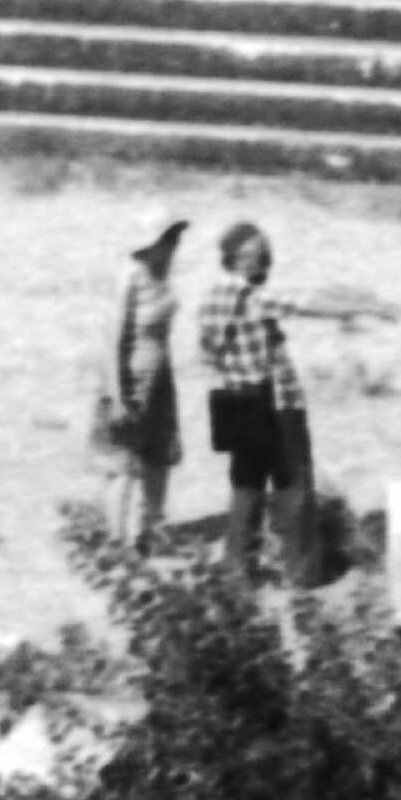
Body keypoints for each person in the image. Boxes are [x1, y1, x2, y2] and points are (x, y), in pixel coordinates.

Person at [198, 220, 317, 590]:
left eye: (264, 255)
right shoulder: (252, 297)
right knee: (293, 484)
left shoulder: (212, 299)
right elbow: (309, 305)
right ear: (236, 259)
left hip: (240, 402)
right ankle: (299, 572)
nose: (264, 263)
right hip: (276, 402)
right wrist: (367, 306)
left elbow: (206, 354)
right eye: (257, 256)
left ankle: (237, 571)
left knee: (246, 483)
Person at [95, 219, 185, 549]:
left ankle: (149, 531)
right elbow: (113, 339)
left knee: (158, 458)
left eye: (176, 238)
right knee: (123, 463)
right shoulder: (130, 275)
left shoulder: (163, 274)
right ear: (151, 242)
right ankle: (118, 540)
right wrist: (116, 395)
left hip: (160, 380)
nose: (174, 245)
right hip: (130, 382)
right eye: (168, 238)